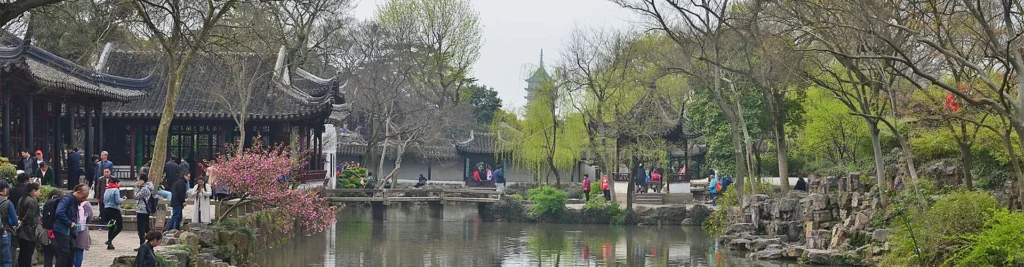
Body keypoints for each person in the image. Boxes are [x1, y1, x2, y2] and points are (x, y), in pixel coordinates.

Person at [55, 184, 87, 267]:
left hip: (68, 229)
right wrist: (69, 222)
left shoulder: (75, 201)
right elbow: (59, 212)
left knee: (70, 250)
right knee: (64, 252)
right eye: (83, 197)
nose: (83, 200)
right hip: (61, 228)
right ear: (78, 193)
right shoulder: (67, 199)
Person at [16, 183, 40, 267]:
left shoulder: (22, 199)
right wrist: (23, 221)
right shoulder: (33, 201)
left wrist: (20, 221)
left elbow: (18, 212)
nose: (39, 193)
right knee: (28, 253)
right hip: (29, 230)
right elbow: (30, 215)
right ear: (34, 191)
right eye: (38, 190)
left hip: (21, 230)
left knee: (23, 253)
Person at [41, 189, 65, 267]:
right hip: (57, 235)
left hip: (46, 234)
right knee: (59, 258)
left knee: (47, 259)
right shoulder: (61, 206)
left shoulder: (46, 204)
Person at [0, 181, 20, 267]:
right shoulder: (7, 203)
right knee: (6, 261)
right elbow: (15, 221)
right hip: (4, 232)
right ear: (4, 190)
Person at [102, 176, 125, 250]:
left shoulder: (107, 189)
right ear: (116, 183)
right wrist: (123, 199)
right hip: (114, 210)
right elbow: (117, 201)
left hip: (107, 209)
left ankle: (110, 245)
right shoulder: (116, 190)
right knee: (119, 226)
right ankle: (109, 240)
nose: (119, 185)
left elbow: (104, 200)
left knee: (111, 226)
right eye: (119, 183)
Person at [73, 194, 94, 266]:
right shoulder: (87, 205)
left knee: (72, 250)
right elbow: (90, 217)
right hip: (82, 230)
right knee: (79, 251)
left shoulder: (72, 202)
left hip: (72, 228)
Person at [135, 174, 154, 246]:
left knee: (141, 229)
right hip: (144, 210)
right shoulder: (147, 187)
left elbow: (136, 196)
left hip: (142, 210)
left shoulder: (144, 189)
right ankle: (148, 243)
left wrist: (137, 187)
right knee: (146, 228)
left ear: (142, 180)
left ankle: (143, 244)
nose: (137, 180)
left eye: (139, 179)